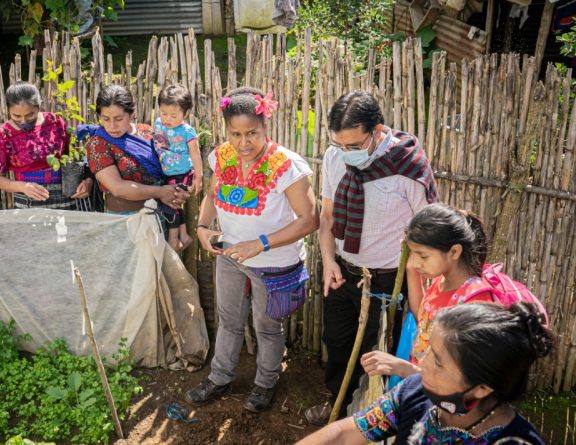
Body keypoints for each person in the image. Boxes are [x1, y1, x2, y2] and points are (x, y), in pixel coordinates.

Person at [306, 90, 439, 425]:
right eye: (340, 144)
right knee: (336, 342)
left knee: (376, 354)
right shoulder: (336, 158)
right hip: (342, 269)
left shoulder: (407, 168)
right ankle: (338, 406)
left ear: (378, 130)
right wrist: (330, 262)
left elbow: (427, 235)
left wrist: (414, 292)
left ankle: (371, 418)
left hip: (386, 280)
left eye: (354, 145)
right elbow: (326, 217)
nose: (346, 153)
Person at [184, 87, 319, 413]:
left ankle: (265, 382)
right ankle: (220, 378)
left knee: (266, 326)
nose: (244, 143)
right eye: (236, 134)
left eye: (252, 134)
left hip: (274, 263)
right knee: (228, 320)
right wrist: (202, 228)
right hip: (230, 256)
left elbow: (310, 220)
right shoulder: (222, 155)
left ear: (265, 127)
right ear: (226, 131)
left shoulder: (287, 166)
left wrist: (259, 244)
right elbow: (212, 196)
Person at [295, 301, 551, 445]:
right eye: (428, 351)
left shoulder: (516, 442)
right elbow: (346, 432)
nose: (422, 365)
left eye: (438, 362)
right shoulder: (415, 391)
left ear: (482, 387)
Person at [360, 204, 501, 380]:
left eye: (423, 256)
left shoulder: (475, 301)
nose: (418, 263)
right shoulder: (441, 281)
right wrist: (411, 271)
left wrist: (404, 369)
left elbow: (461, 379)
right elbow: (425, 318)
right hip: (422, 385)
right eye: (413, 254)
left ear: (454, 251)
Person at [81, 84, 188, 215]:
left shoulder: (149, 131)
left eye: (119, 119)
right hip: (123, 221)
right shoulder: (98, 144)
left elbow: (172, 162)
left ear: (132, 114)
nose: (112, 126)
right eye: (106, 119)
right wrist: (160, 192)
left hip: (160, 215)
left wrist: (178, 189)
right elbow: (117, 188)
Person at [0, 82, 92, 210]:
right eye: (16, 116)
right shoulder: (2, 136)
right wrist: (23, 187)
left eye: (30, 115)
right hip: (28, 200)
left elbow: (72, 157)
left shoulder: (55, 122)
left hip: (67, 195)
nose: (23, 121)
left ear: (39, 106)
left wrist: (87, 180)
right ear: (8, 110)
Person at [153, 84, 203, 252]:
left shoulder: (187, 131)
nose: (167, 119)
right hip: (166, 173)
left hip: (183, 173)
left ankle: (174, 239)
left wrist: (198, 177)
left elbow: (195, 154)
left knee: (172, 204)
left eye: (173, 116)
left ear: (186, 113)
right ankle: (184, 235)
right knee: (173, 203)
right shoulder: (159, 123)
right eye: (164, 113)